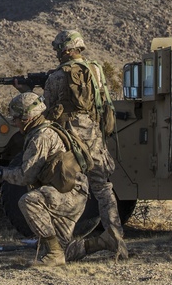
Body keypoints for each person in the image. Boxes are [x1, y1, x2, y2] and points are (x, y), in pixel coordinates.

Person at [17, 29, 128, 260]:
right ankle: (117, 239)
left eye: (59, 49)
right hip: (94, 135)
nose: (58, 53)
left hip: (72, 139)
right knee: (103, 189)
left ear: (65, 49)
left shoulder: (57, 77)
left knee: (65, 186)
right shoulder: (95, 69)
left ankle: (58, 243)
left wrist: (27, 92)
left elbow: (44, 108)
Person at [0, 92, 89, 267]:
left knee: (29, 201)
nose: (14, 122)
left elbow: (25, 176)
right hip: (71, 193)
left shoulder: (41, 137)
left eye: (16, 118)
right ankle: (104, 243)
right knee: (66, 248)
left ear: (26, 118)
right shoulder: (46, 129)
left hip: (68, 195)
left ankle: (54, 254)